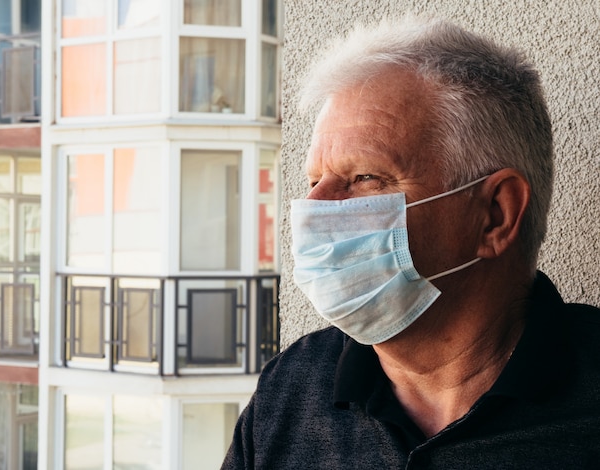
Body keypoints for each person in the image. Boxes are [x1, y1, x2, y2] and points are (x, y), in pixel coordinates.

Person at [221, 16, 600, 469]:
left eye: (365, 178)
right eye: (315, 180)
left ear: (495, 215)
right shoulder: (291, 388)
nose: (315, 208)